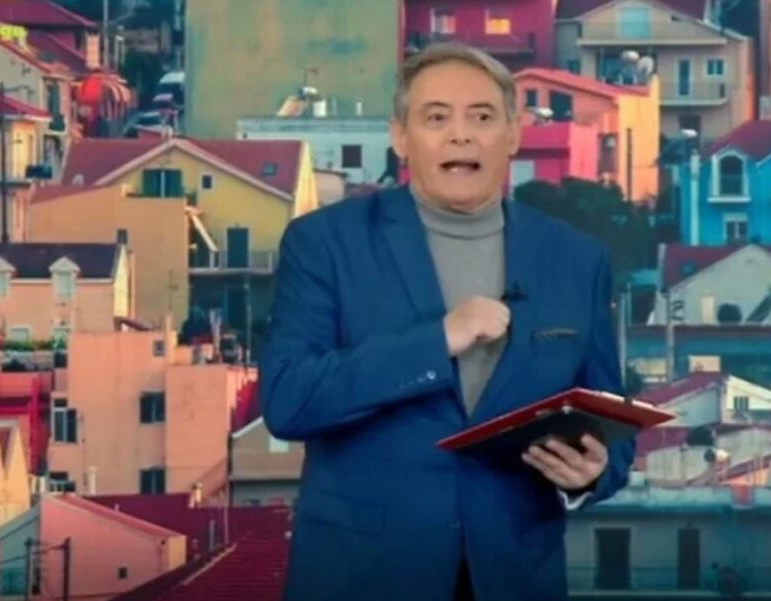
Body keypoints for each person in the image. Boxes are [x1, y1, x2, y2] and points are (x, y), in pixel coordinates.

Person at [259, 41, 636, 601]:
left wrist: (594, 473)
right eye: (436, 118)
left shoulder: (577, 260)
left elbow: (609, 418)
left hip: (514, 576)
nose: (461, 136)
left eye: (481, 117)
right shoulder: (325, 243)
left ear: (513, 134)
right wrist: (438, 340)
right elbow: (289, 400)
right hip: (363, 575)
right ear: (400, 137)